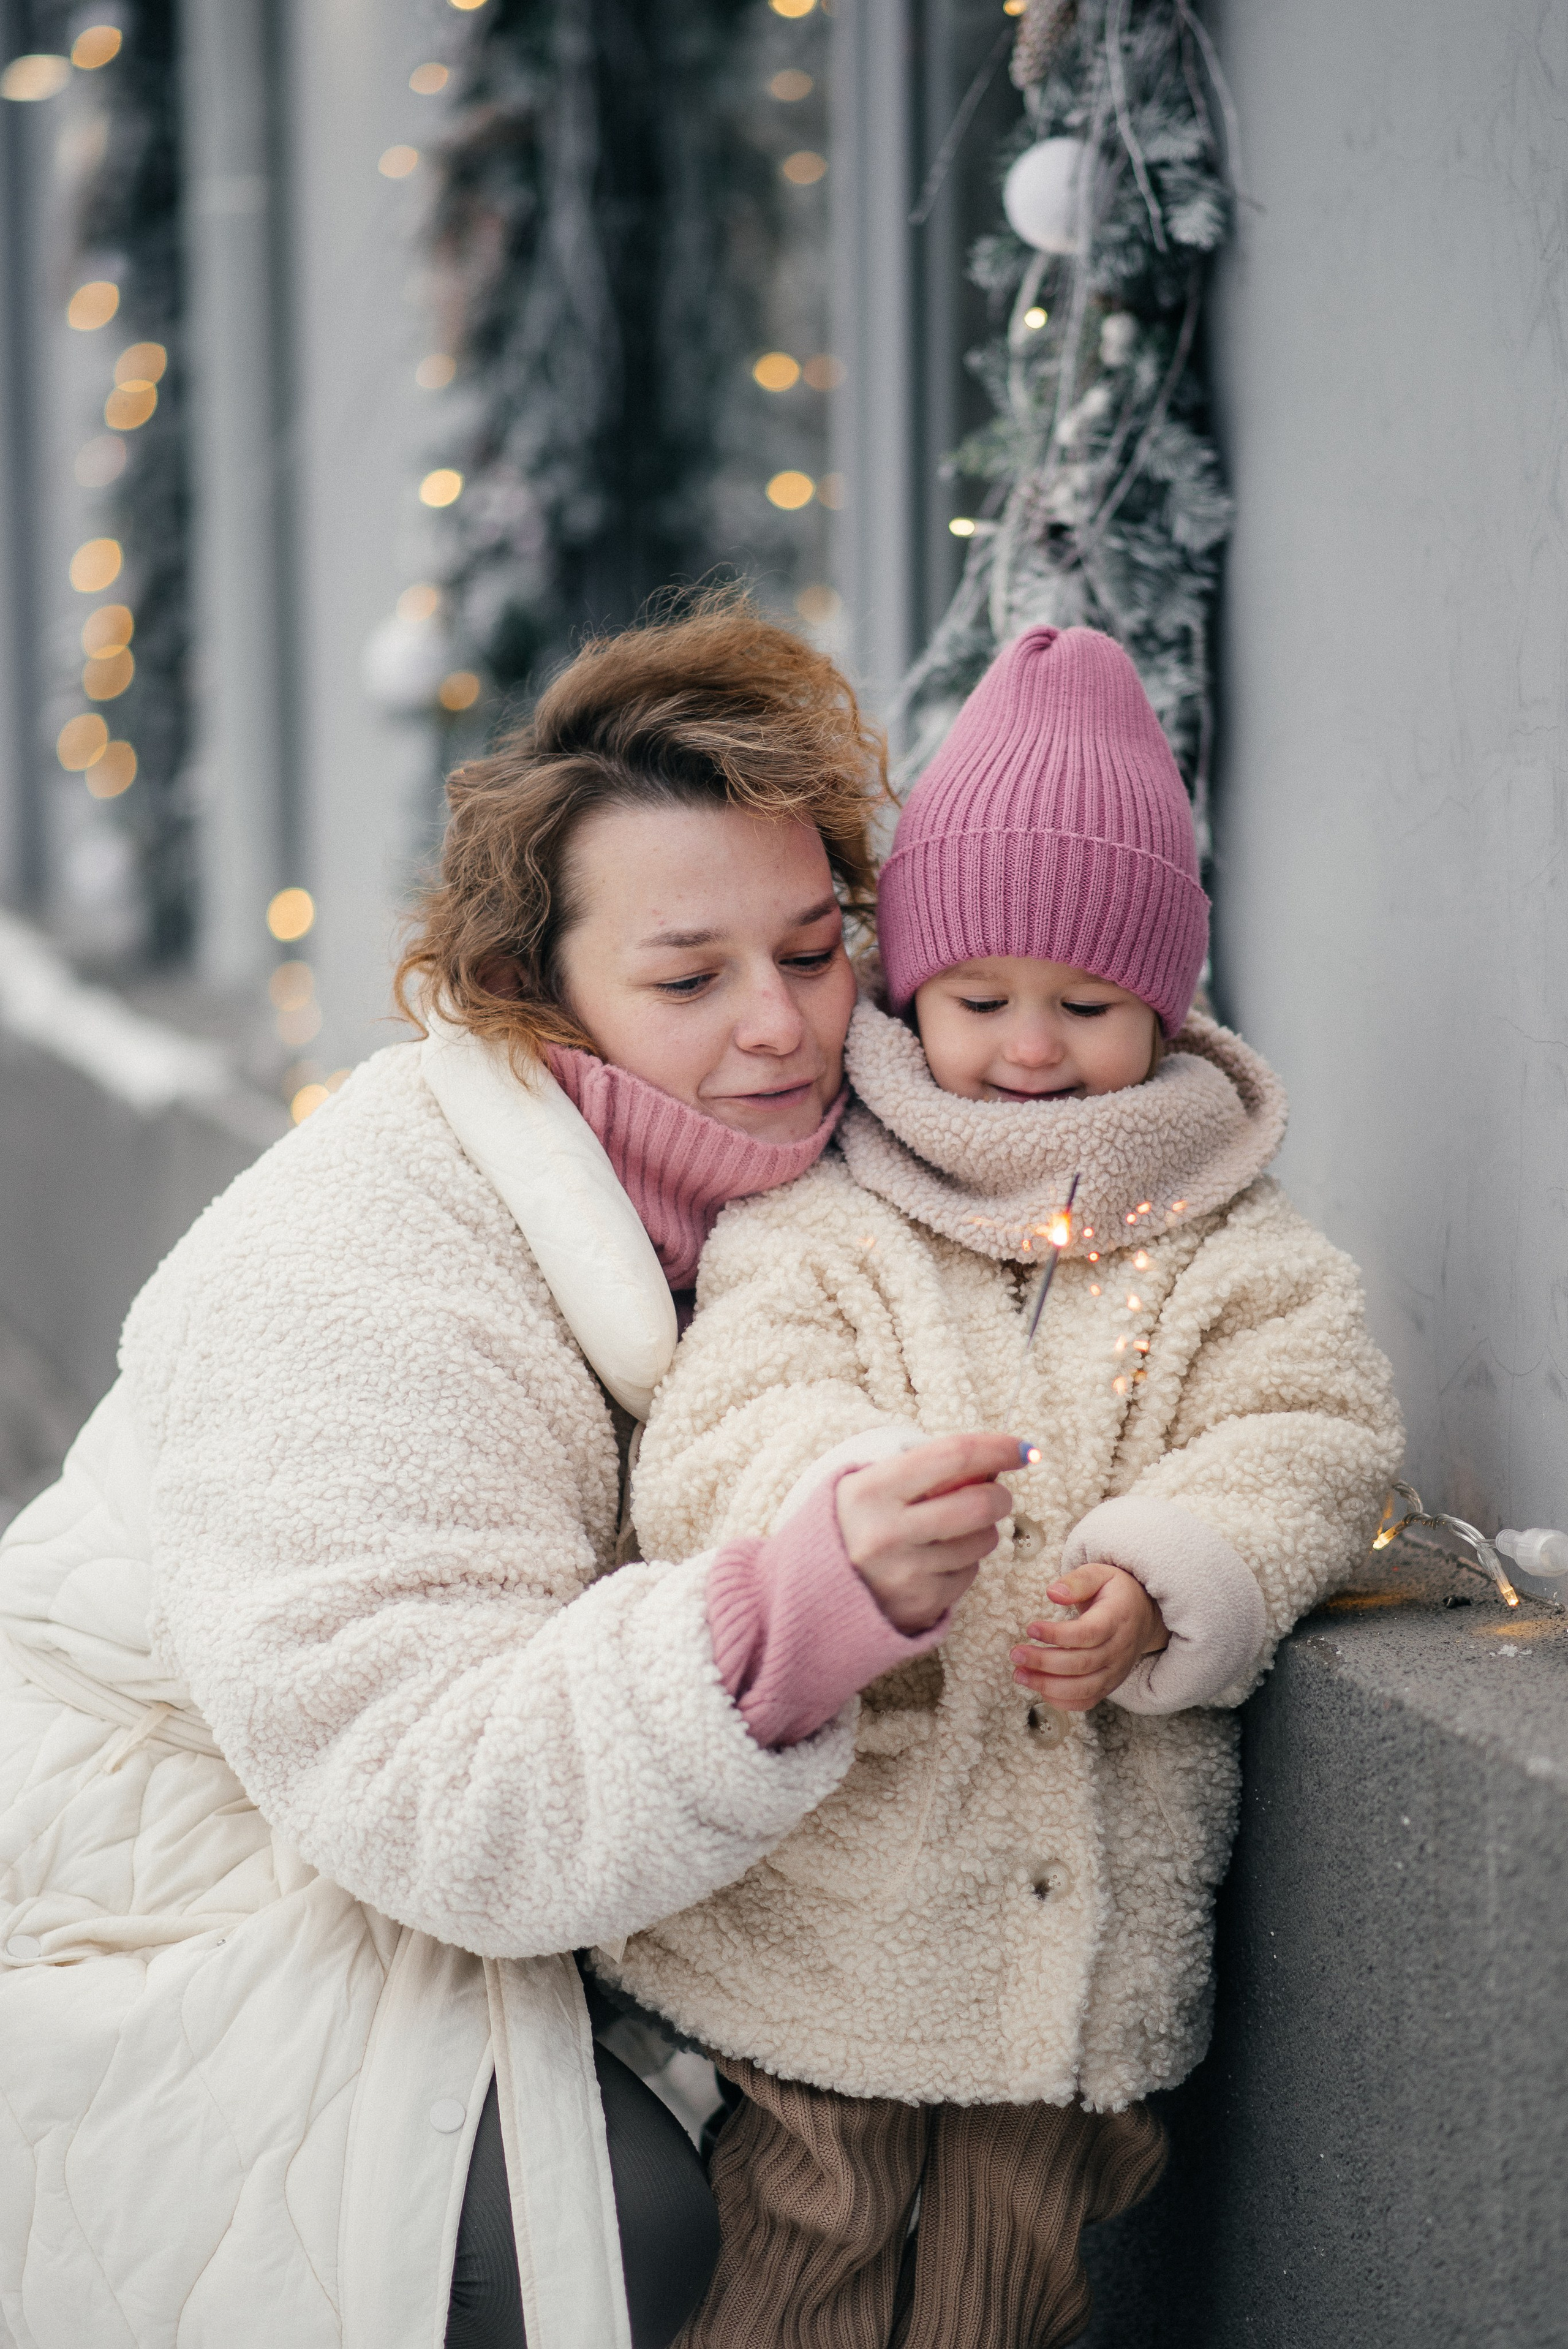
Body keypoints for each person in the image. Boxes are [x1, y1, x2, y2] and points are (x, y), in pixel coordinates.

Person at [0, 597, 966, 2349]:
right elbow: (423, 1775)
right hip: (165, 1886)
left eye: (815, 948)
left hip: (426, 1844)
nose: (782, 1025)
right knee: (602, 2231)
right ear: (535, 992)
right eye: (689, 977)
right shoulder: (369, 1255)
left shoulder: (817, 1172)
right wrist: (773, 1630)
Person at [612, 625, 1406, 2349]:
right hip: (848, 1891)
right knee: (807, 2220)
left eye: (1087, 1007)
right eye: (980, 1002)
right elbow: (731, 1413)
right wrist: (848, 1504)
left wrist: (1177, 1569)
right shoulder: (829, 1212)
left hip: (1079, 1916)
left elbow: (1313, 1432)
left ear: (1165, 1006)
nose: (1030, 1051)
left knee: (1019, 2259)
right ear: (910, 990)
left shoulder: (1233, 1243)